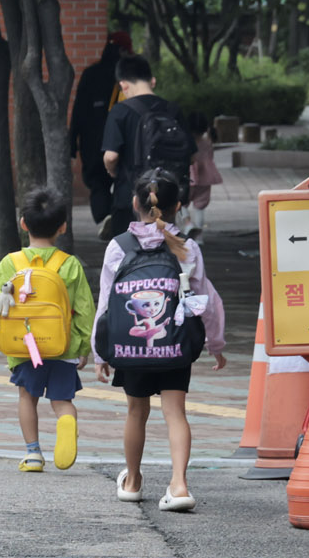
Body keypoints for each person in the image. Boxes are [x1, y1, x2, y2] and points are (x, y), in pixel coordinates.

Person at [96, 169, 227, 511]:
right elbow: (206, 300)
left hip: (130, 345)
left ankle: (133, 481)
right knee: (175, 413)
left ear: (134, 203)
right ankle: (179, 486)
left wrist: (101, 353)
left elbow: (106, 303)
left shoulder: (118, 247)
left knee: (136, 412)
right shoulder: (186, 247)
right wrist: (215, 342)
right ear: (178, 206)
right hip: (176, 345)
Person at [0, 188, 95, 472]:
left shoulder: (11, 263)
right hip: (62, 346)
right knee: (63, 401)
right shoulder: (70, 265)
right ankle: (67, 420)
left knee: (27, 397)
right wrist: (83, 347)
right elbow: (85, 310)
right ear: (62, 227)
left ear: (23, 223)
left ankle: (33, 453)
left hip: (23, 345)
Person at [99, 54, 191, 241]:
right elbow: (192, 154)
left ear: (123, 85)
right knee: (168, 252)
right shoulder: (173, 110)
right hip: (167, 197)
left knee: (127, 255)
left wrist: (112, 172)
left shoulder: (119, 111)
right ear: (153, 81)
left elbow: (110, 157)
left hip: (131, 197)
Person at [70, 32, 128, 226]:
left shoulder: (90, 74)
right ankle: (118, 219)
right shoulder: (126, 77)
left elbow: (78, 110)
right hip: (122, 140)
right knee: (123, 181)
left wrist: (72, 141)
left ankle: (105, 218)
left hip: (91, 142)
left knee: (97, 183)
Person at [177, 111, 222, 238]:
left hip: (188, 177)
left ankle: (187, 223)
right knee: (200, 207)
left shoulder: (185, 142)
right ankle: (199, 235)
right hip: (205, 179)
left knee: (181, 203)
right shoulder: (208, 142)